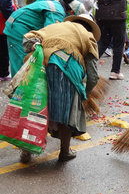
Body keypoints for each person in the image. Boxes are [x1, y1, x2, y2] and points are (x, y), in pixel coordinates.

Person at [20, 14, 101, 163]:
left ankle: (27, 151)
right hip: (63, 68)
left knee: (35, 108)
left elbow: (27, 40)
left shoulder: (53, 26)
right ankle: (64, 152)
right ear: (89, 27)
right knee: (66, 112)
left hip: (38, 67)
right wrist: (84, 94)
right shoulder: (87, 36)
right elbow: (93, 75)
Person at [3, 0, 86, 77]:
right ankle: (19, 88)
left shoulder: (55, 4)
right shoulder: (57, 12)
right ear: (71, 12)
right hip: (17, 28)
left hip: (19, 24)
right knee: (22, 62)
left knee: (25, 60)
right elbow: (50, 36)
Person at [91, 0, 129, 80]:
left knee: (103, 41)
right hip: (117, 15)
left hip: (102, 13)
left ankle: (87, 65)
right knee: (118, 43)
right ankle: (115, 72)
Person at [0, 0, 15, 80]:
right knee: (3, 45)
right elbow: (5, 1)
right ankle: (3, 72)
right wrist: (10, 15)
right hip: (1, 19)